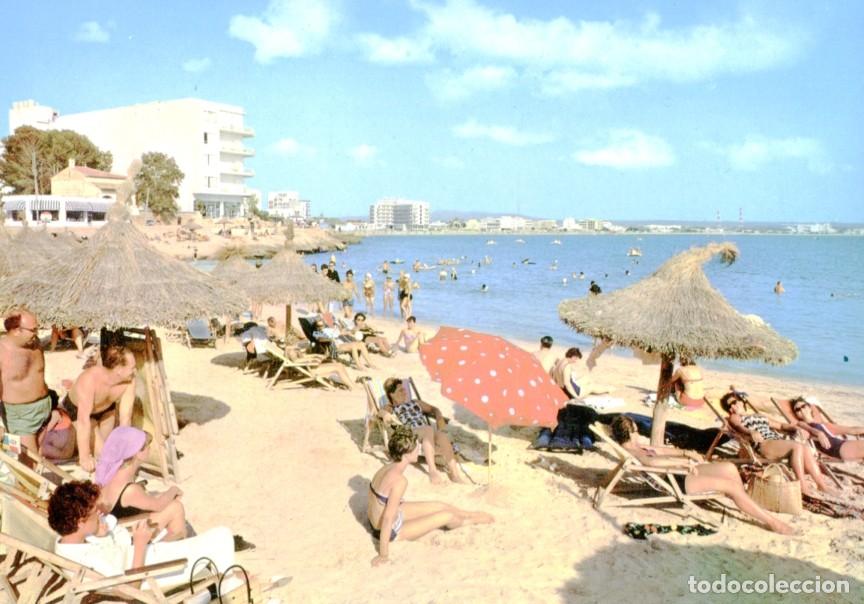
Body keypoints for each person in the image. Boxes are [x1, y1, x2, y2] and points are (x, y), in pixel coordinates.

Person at [610, 416, 793, 535]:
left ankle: (743, 501)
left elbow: (660, 450)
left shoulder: (637, 446)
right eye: (636, 429)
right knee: (731, 486)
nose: (638, 432)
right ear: (631, 431)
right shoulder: (633, 452)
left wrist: (686, 454)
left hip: (679, 472)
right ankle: (773, 523)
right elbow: (652, 463)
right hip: (675, 480)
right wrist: (683, 463)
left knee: (729, 467)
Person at [49, 480, 236, 592]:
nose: (100, 513)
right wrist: (139, 544)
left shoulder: (70, 544)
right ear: (80, 522)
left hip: (146, 558)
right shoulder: (85, 559)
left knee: (214, 540)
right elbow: (130, 589)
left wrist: (100, 531)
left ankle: (230, 583)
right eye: (94, 513)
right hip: (150, 573)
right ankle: (230, 590)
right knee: (222, 537)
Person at [368, 426, 493, 566]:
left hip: (384, 516)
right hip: (388, 530)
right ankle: (470, 520)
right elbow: (387, 518)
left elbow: (378, 503)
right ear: (406, 454)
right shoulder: (399, 481)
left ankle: (469, 514)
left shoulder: (386, 468)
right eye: (416, 447)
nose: (419, 448)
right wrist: (383, 555)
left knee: (441, 506)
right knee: (447, 516)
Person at [721, 391, 839, 496]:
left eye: (734, 402)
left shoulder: (758, 416)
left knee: (805, 448)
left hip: (777, 441)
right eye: (729, 406)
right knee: (797, 447)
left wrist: (795, 428)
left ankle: (821, 486)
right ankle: (802, 487)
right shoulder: (734, 417)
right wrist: (751, 431)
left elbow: (780, 425)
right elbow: (738, 426)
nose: (732, 406)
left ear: (742, 402)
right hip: (764, 444)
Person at [95, 427, 187, 540]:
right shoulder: (130, 489)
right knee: (175, 508)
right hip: (123, 535)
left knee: (166, 501)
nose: (149, 448)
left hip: (115, 524)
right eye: (144, 446)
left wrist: (164, 495)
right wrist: (173, 490)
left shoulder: (111, 473)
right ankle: (175, 549)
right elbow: (158, 505)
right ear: (135, 453)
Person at [61, 345, 138, 472]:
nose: (135, 371)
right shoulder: (90, 379)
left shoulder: (129, 381)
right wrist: (84, 457)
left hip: (106, 410)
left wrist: (125, 450)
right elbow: (83, 420)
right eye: (132, 368)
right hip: (79, 412)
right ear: (118, 369)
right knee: (104, 454)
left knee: (109, 453)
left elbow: (126, 417)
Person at [383, 379, 466, 484]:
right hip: (409, 434)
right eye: (400, 390)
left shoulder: (415, 402)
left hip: (427, 434)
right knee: (428, 429)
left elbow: (433, 409)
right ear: (392, 394)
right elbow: (380, 414)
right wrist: (384, 414)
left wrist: (439, 416)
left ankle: (455, 475)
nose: (404, 392)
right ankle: (432, 470)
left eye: (404, 389)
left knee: (441, 436)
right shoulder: (391, 408)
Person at [0, 310, 52, 453]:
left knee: (43, 455)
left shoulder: (35, 343)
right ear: (16, 330)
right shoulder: (2, 352)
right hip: (20, 415)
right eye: (33, 330)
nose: (37, 333)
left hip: (45, 407)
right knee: (29, 462)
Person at [791, 397, 864, 461]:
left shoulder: (824, 425)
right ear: (796, 415)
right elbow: (808, 429)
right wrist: (819, 433)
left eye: (803, 406)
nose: (801, 409)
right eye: (797, 409)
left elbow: (852, 430)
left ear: (810, 408)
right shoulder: (801, 424)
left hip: (843, 444)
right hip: (838, 449)